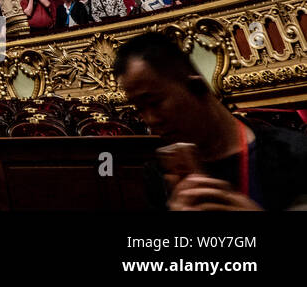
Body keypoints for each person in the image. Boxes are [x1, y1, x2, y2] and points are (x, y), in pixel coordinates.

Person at [114, 32, 307, 210]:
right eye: (139, 109)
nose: (150, 120)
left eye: (155, 102)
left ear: (196, 86)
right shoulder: (160, 176)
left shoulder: (293, 153)